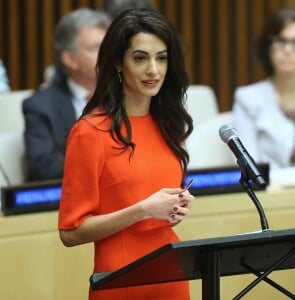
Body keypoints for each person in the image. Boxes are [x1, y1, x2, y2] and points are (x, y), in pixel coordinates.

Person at [58, 8, 194, 300]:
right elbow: (70, 232)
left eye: (161, 58)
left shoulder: (168, 124)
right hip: (122, 281)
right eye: (140, 58)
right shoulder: (90, 132)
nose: (153, 70)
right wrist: (143, 209)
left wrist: (175, 207)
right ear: (119, 63)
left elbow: (156, 207)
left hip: (172, 279)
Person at [22, 8, 111, 181]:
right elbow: (44, 166)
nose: (106, 55)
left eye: (108, 46)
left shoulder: (127, 96)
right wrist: (105, 161)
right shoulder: (40, 106)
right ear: (69, 59)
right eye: (95, 48)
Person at [233, 7, 295, 169]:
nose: (287, 50)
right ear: (268, 47)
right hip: (273, 191)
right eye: (280, 41)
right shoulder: (247, 98)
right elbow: (248, 166)